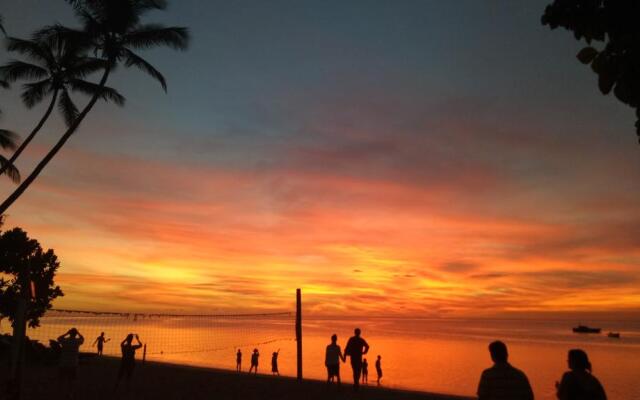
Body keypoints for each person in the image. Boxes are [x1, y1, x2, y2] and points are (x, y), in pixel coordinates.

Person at [57, 328, 84, 399]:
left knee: (62, 379)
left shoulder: (65, 341)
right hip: (73, 363)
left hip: (63, 363)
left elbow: (58, 338)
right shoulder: (77, 341)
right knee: (71, 380)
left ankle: (61, 393)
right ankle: (69, 394)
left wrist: (66, 333)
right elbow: (82, 339)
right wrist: (78, 333)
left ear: (70, 333)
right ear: (75, 334)